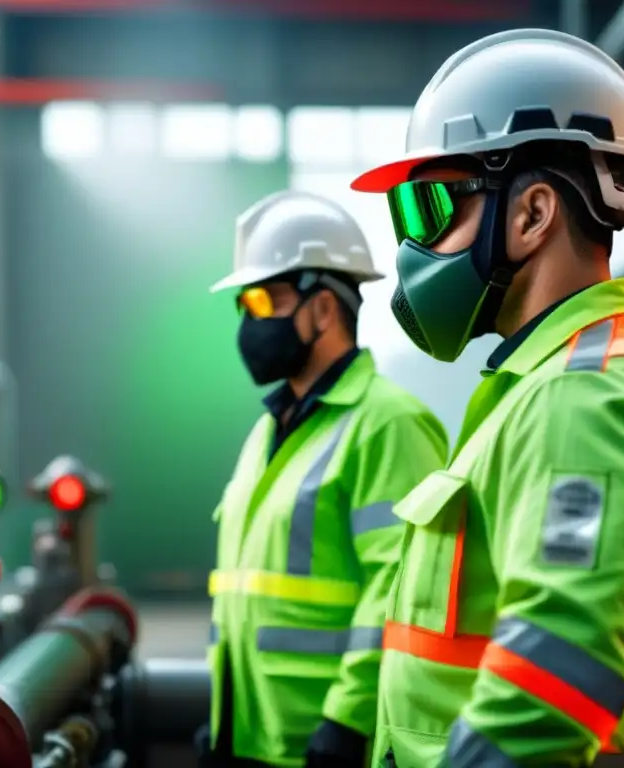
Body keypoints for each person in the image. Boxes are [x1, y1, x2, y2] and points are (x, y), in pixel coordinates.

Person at [349, 28, 624, 768]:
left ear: (532, 214)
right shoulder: (546, 384)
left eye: (428, 208)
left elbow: (549, 689)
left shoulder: (590, 400)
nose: (411, 247)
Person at [197, 190, 450, 768]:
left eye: (264, 299)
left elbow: (397, 588)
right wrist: (221, 721)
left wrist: (346, 720)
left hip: (325, 742)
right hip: (249, 737)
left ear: (325, 309)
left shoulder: (389, 423)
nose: (249, 320)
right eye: (243, 304)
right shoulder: (268, 430)